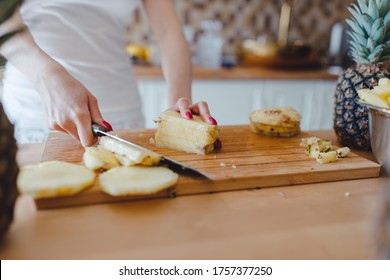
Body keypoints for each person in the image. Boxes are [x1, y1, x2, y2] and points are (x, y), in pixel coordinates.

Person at [0, 0, 218, 147]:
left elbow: (168, 31)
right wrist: (47, 76)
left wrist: (177, 107)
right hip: (36, 110)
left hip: (123, 114)